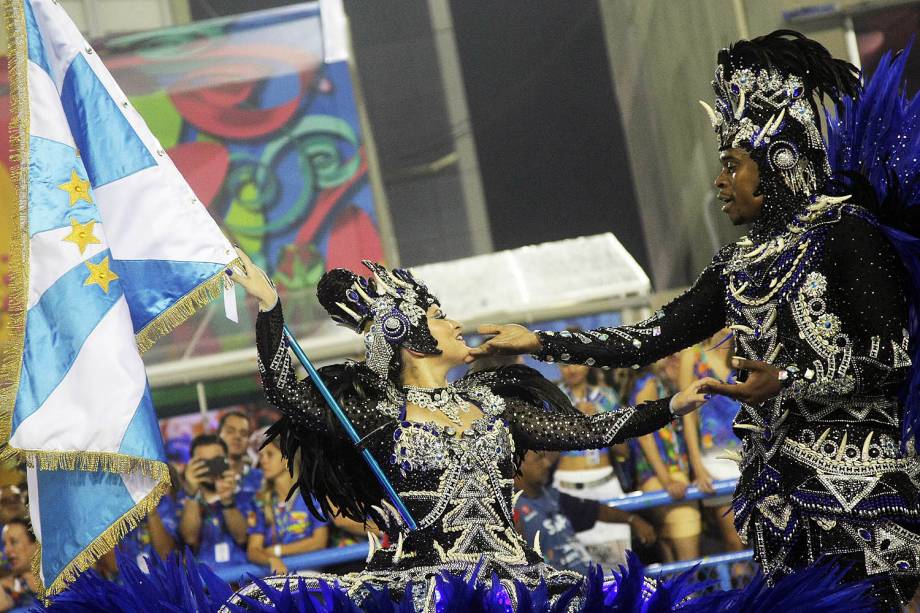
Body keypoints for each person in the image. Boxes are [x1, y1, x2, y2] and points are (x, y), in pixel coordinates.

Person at [471, 30, 920, 606]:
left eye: (732, 165)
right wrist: (539, 340)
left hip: (867, 490)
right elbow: (648, 338)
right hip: (780, 492)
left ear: (779, 159)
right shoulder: (737, 264)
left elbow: (891, 360)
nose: (719, 181)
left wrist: (787, 381)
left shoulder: (846, 232)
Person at [228, 253, 712, 608]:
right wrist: (270, 308)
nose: (455, 323)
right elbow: (286, 393)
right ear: (410, 339)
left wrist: (670, 405)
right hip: (427, 590)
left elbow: (586, 431)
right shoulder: (377, 414)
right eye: (440, 317)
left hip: (518, 582)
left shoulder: (492, 400)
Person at [514, 450, 656, 576]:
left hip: (587, 580)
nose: (547, 464)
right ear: (517, 465)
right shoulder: (514, 510)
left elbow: (594, 510)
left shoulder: (552, 495)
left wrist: (632, 519)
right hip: (557, 590)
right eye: (539, 460)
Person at [554, 361, 638, 567]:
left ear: (586, 364)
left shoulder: (608, 397)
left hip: (605, 484)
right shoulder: (551, 399)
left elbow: (623, 451)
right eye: (564, 365)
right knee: (579, 569)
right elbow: (544, 453)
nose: (571, 369)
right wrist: (573, 422)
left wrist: (599, 424)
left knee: (619, 568)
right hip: (567, 487)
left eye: (575, 363)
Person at [627, 361, 701, 562]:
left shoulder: (659, 383)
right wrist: (667, 479)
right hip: (663, 475)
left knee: (671, 557)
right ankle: (690, 594)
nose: (675, 358)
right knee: (689, 562)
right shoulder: (650, 383)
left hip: (669, 474)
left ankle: (680, 594)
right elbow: (645, 434)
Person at [679, 329, 744, 555]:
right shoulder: (693, 356)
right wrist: (697, 466)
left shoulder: (746, 352)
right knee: (735, 540)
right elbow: (687, 414)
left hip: (750, 453)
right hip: (714, 460)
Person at [247, 437, 329, 575]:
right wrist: (271, 559)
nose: (263, 460)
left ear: (287, 459)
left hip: (310, 575)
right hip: (277, 578)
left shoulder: (311, 495)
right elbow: (253, 550)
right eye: (261, 455)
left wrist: (277, 551)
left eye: (270, 454)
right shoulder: (261, 502)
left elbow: (319, 541)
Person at [179, 434, 252, 568]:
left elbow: (242, 537)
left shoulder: (246, 495)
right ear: (192, 464)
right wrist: (192, 493)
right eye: (203, 463)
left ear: (227, 461)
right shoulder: (183, 502)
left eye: (216, 461)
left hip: (242, 580)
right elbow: (190, 538)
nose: (210, 468)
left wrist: (227, 499)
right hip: (205, 583)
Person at [218, 410, 262, 496]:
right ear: (218, 436)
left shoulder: (260, 478)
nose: (238, 436)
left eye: (243, 433)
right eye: (230, 431)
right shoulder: (208, 479)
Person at [0, 519, 39, 612]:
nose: (6, 550)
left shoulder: (66, 584)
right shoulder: (4, 589)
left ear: (36, 544)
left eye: (14, 542)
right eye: (5, 544)